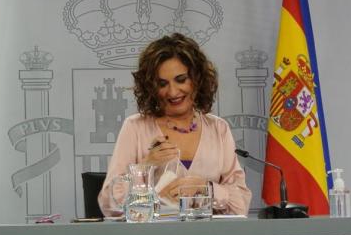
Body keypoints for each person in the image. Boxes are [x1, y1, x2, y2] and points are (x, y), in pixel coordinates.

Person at [98, 33, 251, 215]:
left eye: (181, 80)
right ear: (151, 88)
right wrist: (145, 168)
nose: (173, 92)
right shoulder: (135, 127)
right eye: (162, 84)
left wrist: (206, 189)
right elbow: (109, 204)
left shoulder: (218, 128)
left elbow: (241, 205)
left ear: (197, 79)